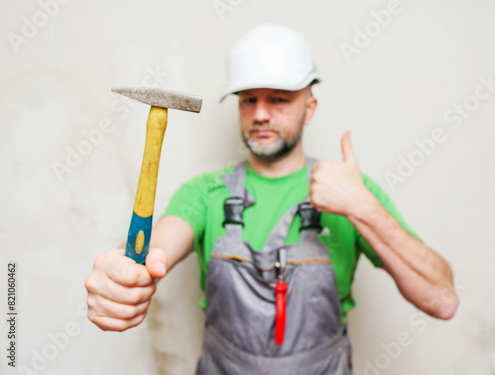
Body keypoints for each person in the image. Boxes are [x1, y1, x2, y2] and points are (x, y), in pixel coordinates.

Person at [85, 24, 459, 374]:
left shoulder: (355, 194)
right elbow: (157, 246)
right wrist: (119, 277)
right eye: (248, 100)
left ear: (309, 109)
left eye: (278, 99)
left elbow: (442, 300)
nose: (260, 114)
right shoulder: (205, 193)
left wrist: (363, 208)